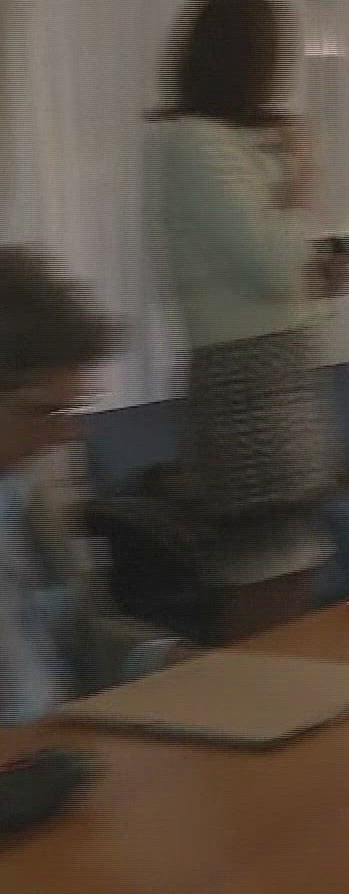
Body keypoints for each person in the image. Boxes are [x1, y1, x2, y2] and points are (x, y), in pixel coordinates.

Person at [147, 0, 349, 644]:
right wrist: (297, 178)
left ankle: (275, 689)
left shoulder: (237, 144)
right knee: (263, 581)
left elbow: (280, 281)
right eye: (274, 57)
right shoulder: (193, 144)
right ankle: (243, 694)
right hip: (244, 381)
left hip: (282, 369)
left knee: (297, 570)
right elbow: (268, 264)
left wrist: (322, 281)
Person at [1, 248, 180, 724]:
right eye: (45, 411)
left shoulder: (21, 492)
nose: (72, 433)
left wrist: (178, 663)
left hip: (69, 744)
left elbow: (79, 632)